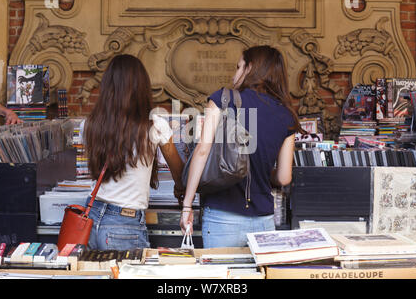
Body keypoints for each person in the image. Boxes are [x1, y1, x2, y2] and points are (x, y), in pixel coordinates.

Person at [180, 45, 304, 248]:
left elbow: (202, 151)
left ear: (250, 68)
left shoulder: (222, 99)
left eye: (238, 67)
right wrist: (260, 169)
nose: (233, 75)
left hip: (223, 217)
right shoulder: (286, 114)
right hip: (264, 220)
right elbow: (284, 177)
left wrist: (187, 206)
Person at [83, 54, 185, 250]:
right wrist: (180, 189)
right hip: (124, 224)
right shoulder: (155, 126)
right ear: (141, 88)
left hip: (91, 218)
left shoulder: (91, 124)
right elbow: (179, 173)